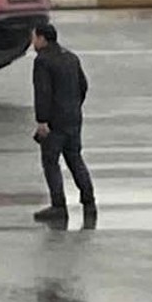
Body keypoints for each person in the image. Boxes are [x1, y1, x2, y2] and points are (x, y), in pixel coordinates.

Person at [31, 23, 96, 229]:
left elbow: (43, 92)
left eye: (34, 38)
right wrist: (73, 107)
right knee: (75, 158)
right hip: (73, 118)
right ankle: (89, 201)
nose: (32, 42)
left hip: (54, 121)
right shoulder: (71, 57)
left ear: (42, 39)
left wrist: (42, 121)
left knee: (51, 163)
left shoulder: (42, 61)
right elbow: (83, 86)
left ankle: (58, 206)